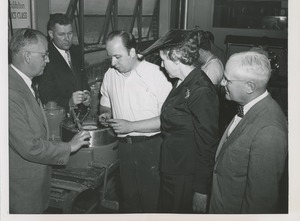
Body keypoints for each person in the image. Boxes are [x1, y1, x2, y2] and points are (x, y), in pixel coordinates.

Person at [9, 28, 91, 214]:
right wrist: (69, 146)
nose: (48, 60)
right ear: (28, 56)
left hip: (34, 183)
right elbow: (30, 147)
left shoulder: (24, 82)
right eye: (44, 55)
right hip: (22, 190)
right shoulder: (10, 92)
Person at [140, 29, 219, 213]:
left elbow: (208, 144)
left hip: (186, 175)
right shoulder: (182, 82)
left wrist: (201, 189)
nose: (161, 64)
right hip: (174, 168)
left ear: (176, 57)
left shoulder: (201, 90)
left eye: (164, 59)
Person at [98, 30, 172, 212]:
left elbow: (169, 120)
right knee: (129, 201)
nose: (113, 63)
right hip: (124, 148)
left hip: (152, 147)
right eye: (110, 57)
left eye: (117, 56)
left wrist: (131, 126)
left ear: (132, 52)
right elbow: (105, 105)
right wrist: (105, 115)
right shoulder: (110, 75)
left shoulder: (158, 75)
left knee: (152, 201)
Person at [209, 51, 288, 214]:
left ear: (250, 86)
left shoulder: (269, 131)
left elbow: (260, 203)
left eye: (228, 80)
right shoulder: (248, 106)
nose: (222, 83)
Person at [36, 13, 90, 113]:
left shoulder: (76, 50)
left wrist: (86, 93)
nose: (67, 39)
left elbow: (83, 78)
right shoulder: (45, 57)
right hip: (60, 118)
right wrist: (69, 102)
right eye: (61, 34)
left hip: (82, 114)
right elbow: (46, 97)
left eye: (69, 33)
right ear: (51, 34)